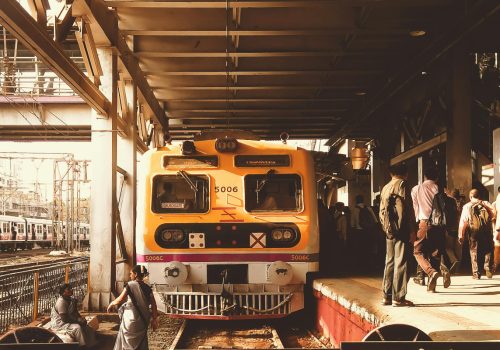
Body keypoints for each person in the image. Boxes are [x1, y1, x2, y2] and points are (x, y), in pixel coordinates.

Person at [379, 163, 415, 307]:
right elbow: (406, 210)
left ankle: (386, 296)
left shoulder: (386, 187)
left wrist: (386, 228)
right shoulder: (402, 185)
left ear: (390, 174)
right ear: (405, 173)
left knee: (390, 261)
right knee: (401, 261)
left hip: (389, 229)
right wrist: (412, 229)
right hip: (402, 229)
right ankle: (398, 297)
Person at [411, 167, 449, 293]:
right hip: (439, 225)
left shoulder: (417, 188)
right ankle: (431, 287)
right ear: (436, 177)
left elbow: (415, 207)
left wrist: (416, 224)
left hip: (423, 223)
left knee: (417, 251)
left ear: (425, 177)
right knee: (435, 253)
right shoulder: (440, 188)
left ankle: (430, 272)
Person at [107, 265, 159, 350]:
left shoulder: (130, 285)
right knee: (141, 340)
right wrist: (154, 319)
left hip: (130, 318)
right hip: (143, 319)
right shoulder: (148, 287)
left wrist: (111, 303)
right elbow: (154, 305)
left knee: (127, 340)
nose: (129, 275)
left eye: (131, 273)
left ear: (135, 274)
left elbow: (120, 299)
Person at [458, 189, 495, 279]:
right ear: (479, 196)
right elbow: (493, 215)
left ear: (471, 196)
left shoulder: (467, 206)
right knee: (488, 249)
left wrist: (461, 235)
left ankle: (476, 273)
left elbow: (463, 222)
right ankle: (487, 266)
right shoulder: (486, 203)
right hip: (486, 230)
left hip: (473, 231)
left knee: (474, 250)